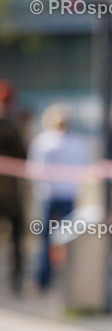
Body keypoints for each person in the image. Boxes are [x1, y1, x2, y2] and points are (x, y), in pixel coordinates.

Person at [26, 104, 89, 290]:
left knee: (61, 240)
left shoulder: (49, 141)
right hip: (53, 195)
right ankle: (47, 278)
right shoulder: (47, 141)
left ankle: (54, 279)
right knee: (51, 239)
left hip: (59, 195)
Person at [0, 81, 27, 295]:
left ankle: (16, 279)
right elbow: (22, 155)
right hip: (9, 192)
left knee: (17, 236)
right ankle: (16, 279)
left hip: (10, 191)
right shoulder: (10, 124)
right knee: (17, 236)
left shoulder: (12, 123)